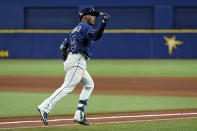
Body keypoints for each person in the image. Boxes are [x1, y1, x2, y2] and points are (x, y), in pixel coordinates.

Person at [37, 7, 110, 126]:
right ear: (84, 16)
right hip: (78, 60)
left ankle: (79, 114)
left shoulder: (74, 31)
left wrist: (67, 60)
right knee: (67, 87)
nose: (94, 17)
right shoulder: (85, 26)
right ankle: (44, 107)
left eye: (95, 15)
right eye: (92, 14)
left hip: (73, 59)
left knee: (89, 85)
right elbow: (95, 37)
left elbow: (62, 47)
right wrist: (103, 24)